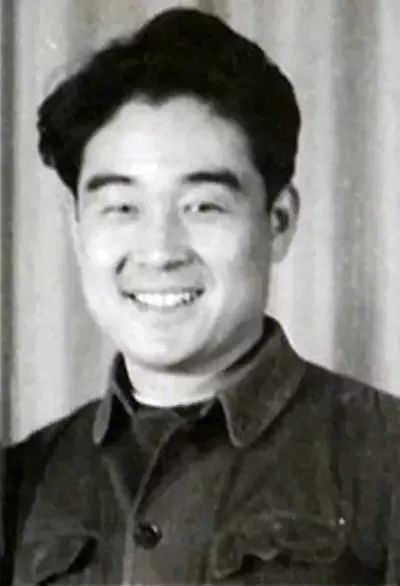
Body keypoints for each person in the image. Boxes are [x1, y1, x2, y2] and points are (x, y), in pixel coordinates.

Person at [2, 7, 400, 585]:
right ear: (78, 230)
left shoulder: (387, 461)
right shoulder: (20, 483)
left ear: (279, 221)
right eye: (122, 207)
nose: (159, 251)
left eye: (203, 206)